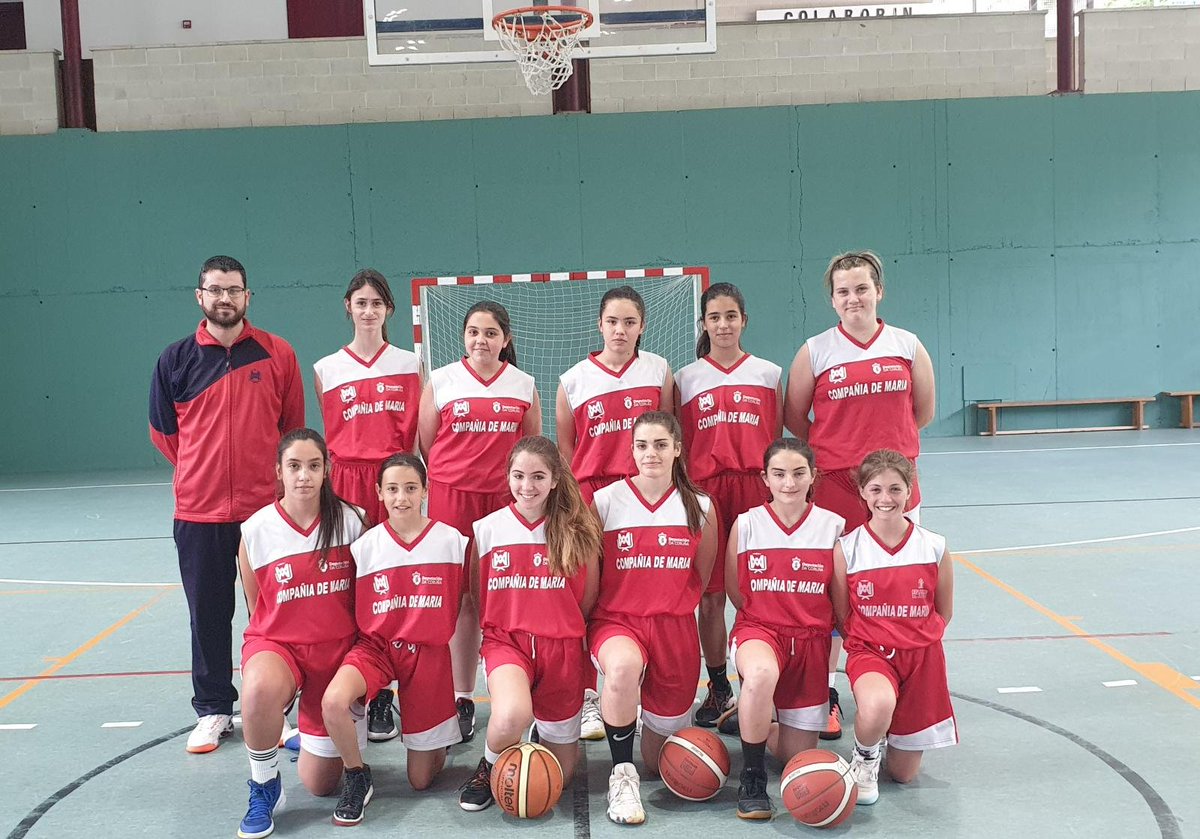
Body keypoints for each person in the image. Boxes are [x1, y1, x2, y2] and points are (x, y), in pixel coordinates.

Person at [149, 254, 305, 754]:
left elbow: (292, 433)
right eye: (215, 290)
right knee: (208, 614)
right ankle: (214, 709)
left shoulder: (277, 354)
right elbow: (164, 435)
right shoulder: (175, 360)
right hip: (199, 512)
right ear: (201, 297)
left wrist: (266, 483)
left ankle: (275, 711)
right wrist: (205, 471)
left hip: (265, 512)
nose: (224, 298)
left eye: (233, 289)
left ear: (247, 296)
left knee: (273, 614)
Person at [783, 250, 935, 740]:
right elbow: (794, 417)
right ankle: (827, 692)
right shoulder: (817, 350)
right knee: (834, 592)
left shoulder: (907, 345)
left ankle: (898, 685)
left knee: (897, 585)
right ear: (832, 299)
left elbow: (923, 412)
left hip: (895, 482)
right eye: (843, 291)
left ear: (879, 291)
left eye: (862, 288)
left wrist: (888, 460)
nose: (854, 298)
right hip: (837, 486)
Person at [320, 453, 469, 827]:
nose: (401, 497)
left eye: (410, 488)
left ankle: (437, 739)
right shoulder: (364, 546)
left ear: (426, 490)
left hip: (428, 656)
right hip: (377, 650)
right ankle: (357, 774)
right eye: (392, 489)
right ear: (378, 493)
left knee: (420, 781)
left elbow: (472, 603)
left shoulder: (452, 541)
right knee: (335, 701)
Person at [234, 428, 366, 839]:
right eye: (294, 466)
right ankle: (264, 784)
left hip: (338, 653)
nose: (303, 476)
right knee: (257, 690)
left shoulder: (352, 522)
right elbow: (257, 607)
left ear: (327, 470)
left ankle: (308, 732)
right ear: (279, 471)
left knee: (321, 784)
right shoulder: (255, 530)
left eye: (313, 465)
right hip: (281, 646)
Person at [418, 301, 541, 743]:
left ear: (505, 339)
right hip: (452, 498)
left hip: (504, 501)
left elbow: (531, 448)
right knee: (463, 601)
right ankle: (462, 696)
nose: (480, 341)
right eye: (473, 332)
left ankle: (524, 694)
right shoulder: (442, 380)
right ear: (463, 336)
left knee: (510, 598)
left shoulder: (523, 383)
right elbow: (427, 442)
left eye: (490, 333)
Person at [458, 436, 601, 811]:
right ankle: (486, 766)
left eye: (538, 476)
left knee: (559, 779)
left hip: (563, 649)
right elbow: (478, 592)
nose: (527, 486)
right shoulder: (488, 529)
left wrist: (559, 624)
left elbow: (586, 601)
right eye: (519, 476)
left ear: (555, 479)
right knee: (510, 714)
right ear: (507, 477)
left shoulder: (576, 529)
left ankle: (541, 731)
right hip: (509, 642)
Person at [556, 285, 673, 741]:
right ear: (600, 325)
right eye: (612, 322)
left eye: (629, 322)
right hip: (593, 495)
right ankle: (587, 696)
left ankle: (632, 691)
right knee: (586, 596)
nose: (620, 331)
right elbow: (568, 449)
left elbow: (666, 431)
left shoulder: (658, 371)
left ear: (642, 326)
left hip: (646, 496)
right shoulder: (573, 379)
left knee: (634, 594)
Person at [589, 411, 717, 826]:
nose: (651, 453)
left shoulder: (699, 506)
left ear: (678, 449)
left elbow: (703, 571)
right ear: (631, 450)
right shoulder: (606, 501)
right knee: (623, 668)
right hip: (617, 622)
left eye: (661, 444)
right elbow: (591, 576)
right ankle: (619, 775)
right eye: (642, 445)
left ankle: (634, 732)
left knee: (657, 762)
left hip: (674, 629)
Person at [313, 268, 421, 743]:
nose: (369, 310)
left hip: (397, 479)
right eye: (361, 302)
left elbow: (419, 433)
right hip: (350, 481)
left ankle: (385, 696)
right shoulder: (326, 368)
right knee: (352, 584)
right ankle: (352, 685)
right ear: (348, 307)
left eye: (378, 302)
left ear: (389, 310)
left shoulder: (410, 363)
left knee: (395, 581)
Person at [675, 281, 782, 731]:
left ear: (744, 320)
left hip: (756, 490)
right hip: (707, 494)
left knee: (760, 593)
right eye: (714, 317)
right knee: (711, 595)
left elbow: (777, 436)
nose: (722, 324)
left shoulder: (769, 374)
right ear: (703, 323)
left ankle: (761, 688)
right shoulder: (685, 378)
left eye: (730, 316)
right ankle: (719, 684)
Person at [725, 439, 844, 819]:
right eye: (779, 474)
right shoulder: (746, 525)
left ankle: (750, 716)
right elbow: (736, 592)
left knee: (798, 757)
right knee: (760, 674)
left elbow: (839, 603)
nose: (789, 483)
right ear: (765, 478)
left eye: (798, 473)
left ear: (813, 477)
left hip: (810, 644)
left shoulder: (833, 527)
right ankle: (753, 777)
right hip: (760, 631)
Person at [831, 449, 957, 806]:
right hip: (872, 652)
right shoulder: (848, 548)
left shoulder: (934, 546)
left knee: (903, 774)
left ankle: (884, 735)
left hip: (922, 659)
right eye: (875, 489)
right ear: (862, 494)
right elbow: (843, 615)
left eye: (895, 489)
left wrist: (912, 637)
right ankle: (864, 759)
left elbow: (943, 611)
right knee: (877, 702)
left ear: (909, 491)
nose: (885, 498)